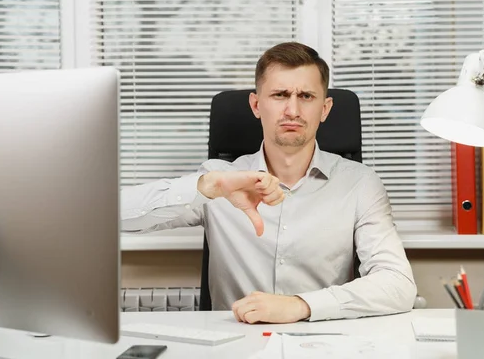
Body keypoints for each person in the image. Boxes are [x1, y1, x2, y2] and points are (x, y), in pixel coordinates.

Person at [121, 42, 417, 324]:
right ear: (256, 105)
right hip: (235, 346)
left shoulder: (360, 184)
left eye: (306, 96)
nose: (292, 110)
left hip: (323, 342)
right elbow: (111, 217)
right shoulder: (221, 179)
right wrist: (207, 187)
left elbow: (398, 285)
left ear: (325, 109)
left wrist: (301, 305)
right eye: (279, 95)